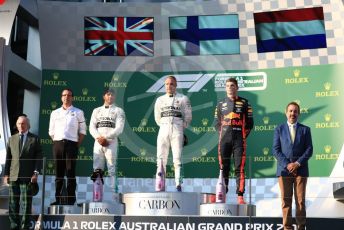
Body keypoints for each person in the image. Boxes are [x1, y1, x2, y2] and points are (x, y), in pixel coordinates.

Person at [272, 102, 313, 230]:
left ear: (298, 114)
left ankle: (301, 227)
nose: (292, 114)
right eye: (290, 111)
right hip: (284, 171)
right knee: (286, 202)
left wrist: (297, 163)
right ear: (286, 113)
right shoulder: (279, 129)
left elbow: (309, 149)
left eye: (295, 111)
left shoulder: (305, 130)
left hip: (301, 170)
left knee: (300, 201)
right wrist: (287, 165)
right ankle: (287, 228)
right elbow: (275, 150)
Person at [214, 78, 253, 204]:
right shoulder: (220, 104)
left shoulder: (245, 103)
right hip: (224, 141)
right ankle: (222, 194)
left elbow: (249, 124)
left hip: (239, 141)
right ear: (225, 88)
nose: (230, 88)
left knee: (239, 168)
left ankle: (240, 196)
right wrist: (224, 134)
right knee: (223, 168)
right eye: (228, 86)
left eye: (232, 85)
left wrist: (241, 136)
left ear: (237, 87)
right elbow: (216, 124)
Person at [48, 88, 87, 205]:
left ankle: (71, 200)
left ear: (72, 97)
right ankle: (58, 199)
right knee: (58, 174)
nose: (66, 97)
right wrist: (57, 143)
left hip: (71, 144)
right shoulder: (54, 113)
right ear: (61, 97)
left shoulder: (78, 112)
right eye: (64, 95)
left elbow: (83, 132)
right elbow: (51, 131)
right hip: (58, 144)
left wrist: (75, 145)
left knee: (70, 173)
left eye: (69, 95)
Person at [4, 116, 42, 230]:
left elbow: (39, 158)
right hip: (14, 176)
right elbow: (8, 159)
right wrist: (6, 175)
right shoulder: (11, 139)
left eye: (23, 124)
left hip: (28, 176)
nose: (21, 126)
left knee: (26, 205)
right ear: (16, 125)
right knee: (12, 204)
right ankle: (14, 226)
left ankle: (25, 227)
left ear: (28, 125)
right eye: (19, 123)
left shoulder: (35, 139)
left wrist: (36, 173)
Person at [154, 75, 192, 191]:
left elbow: (188, 116)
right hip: (163, 129)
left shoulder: (183, 98)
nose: (168, 86)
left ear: (175, 86)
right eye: (166, 84)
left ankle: (178, 184)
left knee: (177, 158)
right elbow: (157, 117)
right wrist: (165, 125)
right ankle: (160, 184)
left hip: (177, 129)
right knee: (160, 158)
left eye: (171, 84)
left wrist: (180, 126)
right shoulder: (160, 99)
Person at [89, 88, 125, 193]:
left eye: (112, 95)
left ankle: (114, 193)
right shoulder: (96, 110)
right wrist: (99, 138)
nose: (110, 97)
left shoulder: (119, 111)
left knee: (112, 168)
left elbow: (119, 128)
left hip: (111, 142)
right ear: (104, 96)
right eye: (108, 94)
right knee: (97, 170)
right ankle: (97, 194)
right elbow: (92, 127)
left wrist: (106, 137)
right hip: (98, 142)